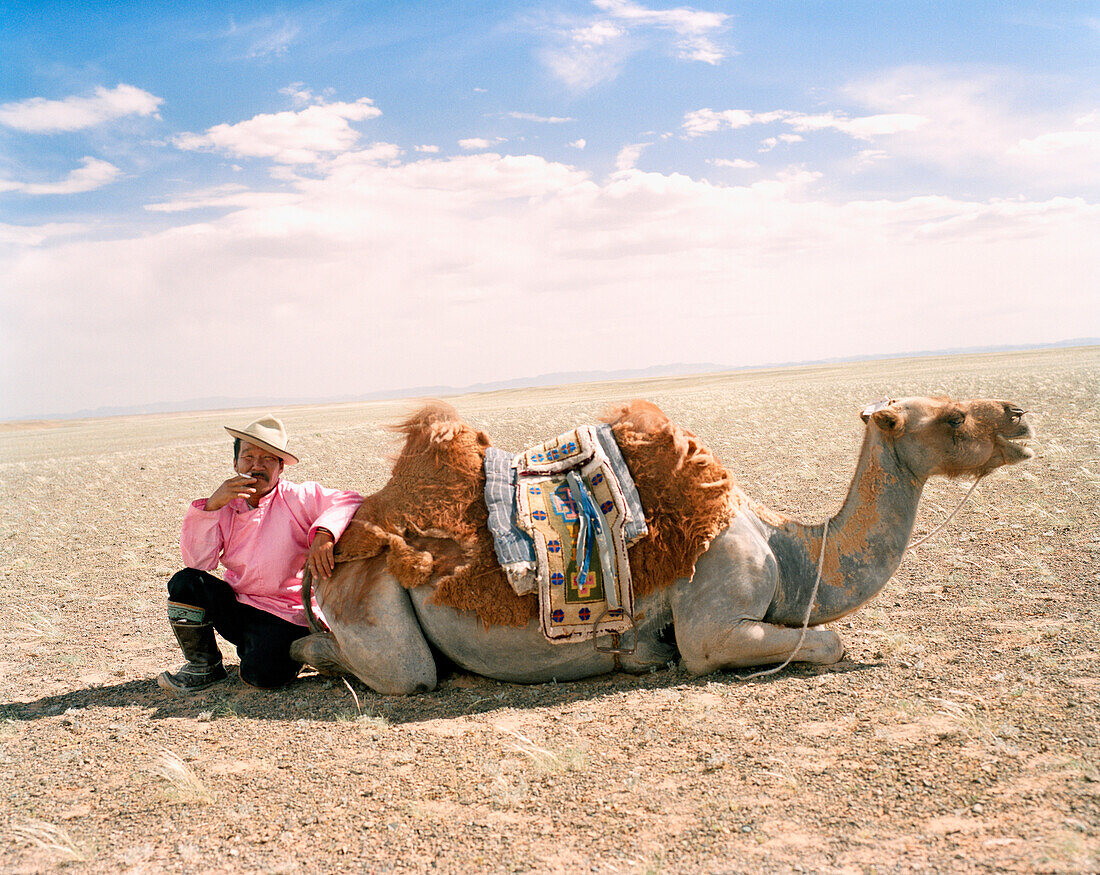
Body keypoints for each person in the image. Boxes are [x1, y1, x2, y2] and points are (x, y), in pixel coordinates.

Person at [159, 415, 362, 694]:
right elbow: (198, 562)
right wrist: (210, 507)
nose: (257, 465)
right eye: (249, 456)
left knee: (262, 675)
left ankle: (288, 651)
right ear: (235, 463)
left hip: (287, 614)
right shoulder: (225, 505)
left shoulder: (298, 497)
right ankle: (205, 665)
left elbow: (349, 499)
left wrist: (324, 533)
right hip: (239, 605)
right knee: (186, 583)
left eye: (268, 458)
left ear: (280, 466)